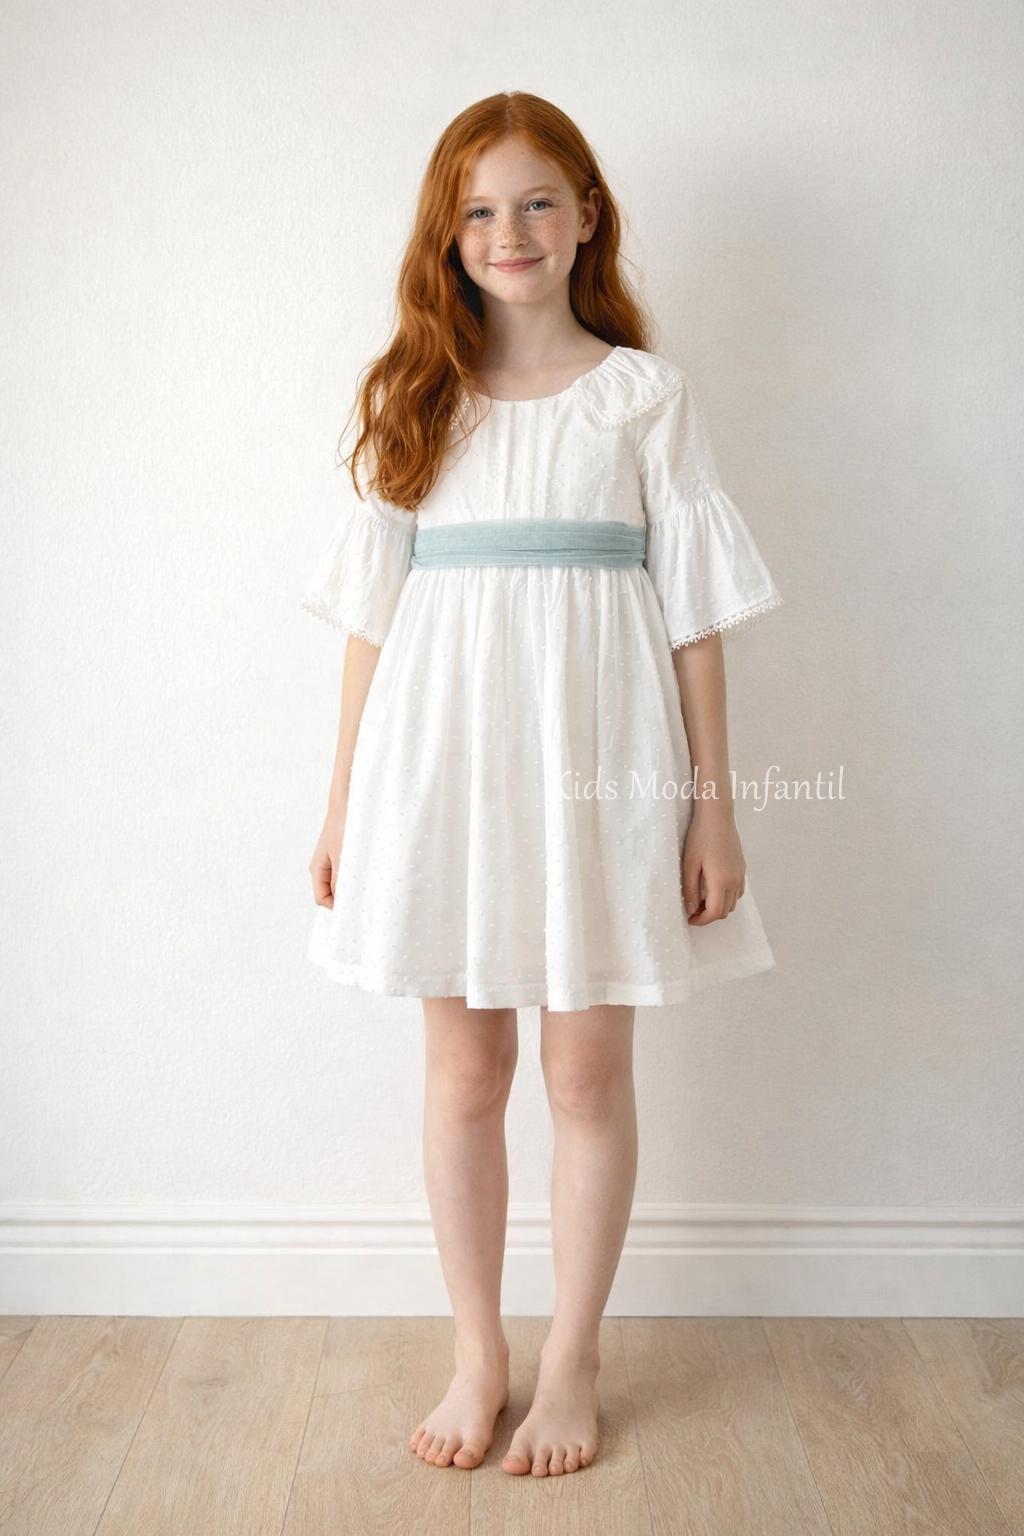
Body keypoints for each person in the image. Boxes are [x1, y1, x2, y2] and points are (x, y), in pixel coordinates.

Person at [302, 90, 784, 1478]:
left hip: (602, 769)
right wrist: (342, 804)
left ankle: (572, 1356)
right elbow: (369, 627)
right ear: (445, 236)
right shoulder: (414, 397)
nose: (506, 231)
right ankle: (479, 1352)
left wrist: (713, 804)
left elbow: (695, 622)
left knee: (584, 1068)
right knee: (465, 1069)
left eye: (533, 202)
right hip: (440, 768)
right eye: (476, 210)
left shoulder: (643, 397)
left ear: (585, 217)